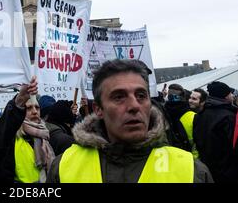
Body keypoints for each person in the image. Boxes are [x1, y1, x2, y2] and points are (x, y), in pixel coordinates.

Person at [47, 59, 213, 183]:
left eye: (141, 96)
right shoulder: (63, 166)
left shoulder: (191, 170)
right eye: (119, 97)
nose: (134, 105)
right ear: (98, 109)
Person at [0, 96, 55, 183]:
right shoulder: (9, 140)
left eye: (37, 107)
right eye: (28, 108)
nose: (35, 112)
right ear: (18, 112)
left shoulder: (44, 135)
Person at [193, 81, 238, 183]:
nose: (232, 95)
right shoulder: (228, 116)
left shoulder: (199, 115)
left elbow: (197, 139)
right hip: (228, 170)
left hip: (208, 168)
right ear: (225, 96)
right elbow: (233, 145)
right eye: (229, 93)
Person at [163, 84, 197, 153]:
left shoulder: (162, 115)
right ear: (184, 98)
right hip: (193, 159)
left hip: (171, 159)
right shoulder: (193, 116)